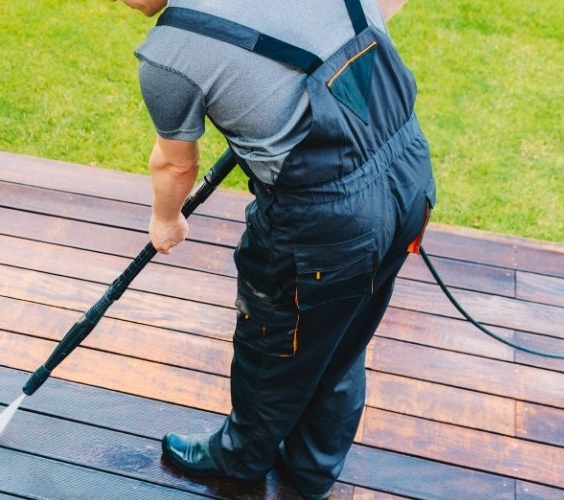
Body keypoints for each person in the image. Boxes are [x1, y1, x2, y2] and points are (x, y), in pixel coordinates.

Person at [112, 1, 436, 498]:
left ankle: (239, 458)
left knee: (272, 345)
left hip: (328, 225)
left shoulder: (170, 52)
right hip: (410, 174)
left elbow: (175, 167)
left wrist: (165, 219)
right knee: (342, 338)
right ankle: (312, 470)